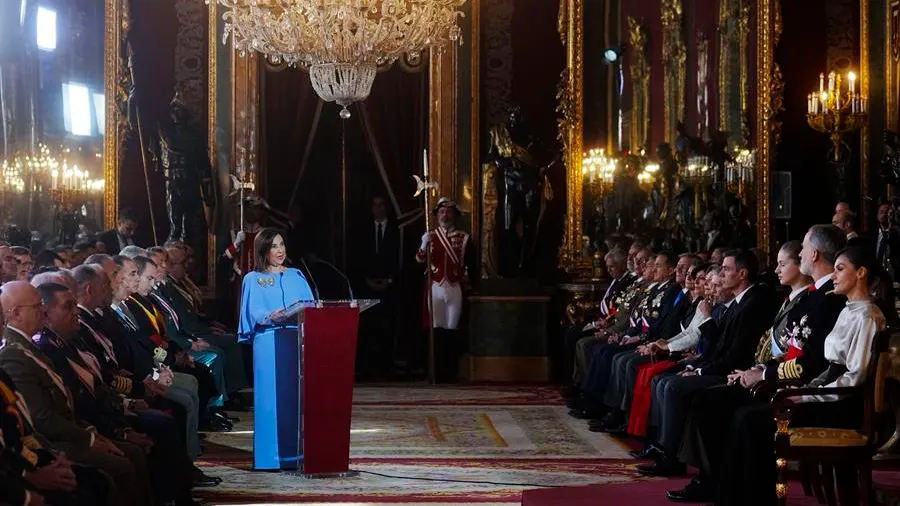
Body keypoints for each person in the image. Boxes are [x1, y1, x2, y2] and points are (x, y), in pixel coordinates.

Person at [715, 245, 888, 506]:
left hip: (842, 406)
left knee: (751, 420)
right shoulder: (848, 310)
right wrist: (806, 391)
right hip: (827, 396)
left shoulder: (867, 316)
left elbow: (855, 377)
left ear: (861, 273)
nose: (835, 275)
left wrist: (807, 398)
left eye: (841, 269)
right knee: (744, 416)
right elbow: (831, 368)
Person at [238, 228, 314, 470]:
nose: (280, 251)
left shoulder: (297, 275)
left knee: (294, 400)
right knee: (270, 400)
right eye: (274, 246)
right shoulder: (253, 278)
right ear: (263, 250)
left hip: (295, 341)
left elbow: (310, 306)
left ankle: (295, 456)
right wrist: (272, 315)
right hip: (268, 344)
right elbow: (254, 311)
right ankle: (269, 458)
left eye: (282, 245)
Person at [416, 198, 474, 383]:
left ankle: (451, 373)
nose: (445, 215)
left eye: (448, 212)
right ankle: (436, 373)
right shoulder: (430, 236)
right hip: (436, 287)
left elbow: (470, 265)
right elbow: (419, 259)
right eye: (442, 212)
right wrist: (423, 244)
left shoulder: (464, 238)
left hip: (454, 287)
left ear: (454, 216)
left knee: (452, 331)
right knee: (436, 331)